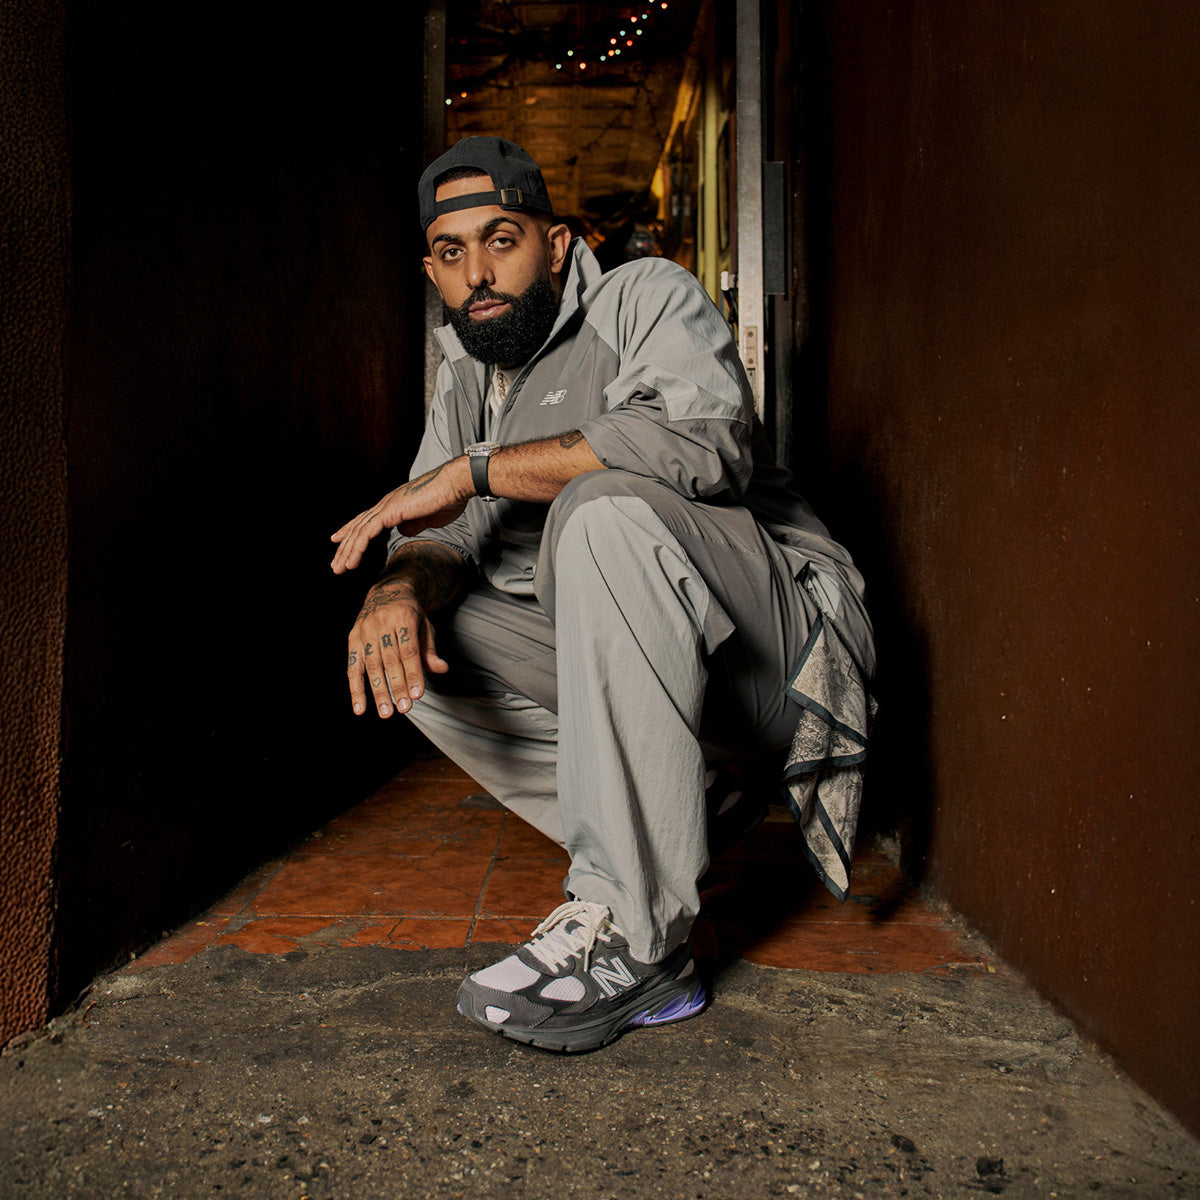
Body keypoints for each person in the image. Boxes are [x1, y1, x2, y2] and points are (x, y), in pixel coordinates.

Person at [330, 136, 874, 1053]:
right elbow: (439, 534)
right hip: (676, 686)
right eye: (453, 253)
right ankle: (691, 802)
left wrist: (473, 471)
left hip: (785, 658)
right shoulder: (464, 377)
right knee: (405, 636)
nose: (478, 274)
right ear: (432, 271)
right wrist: (395, 587)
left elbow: (699, 446)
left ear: (556, 244)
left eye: (501, 240)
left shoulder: (643, 296)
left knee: (601, 511)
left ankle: (641, 939)